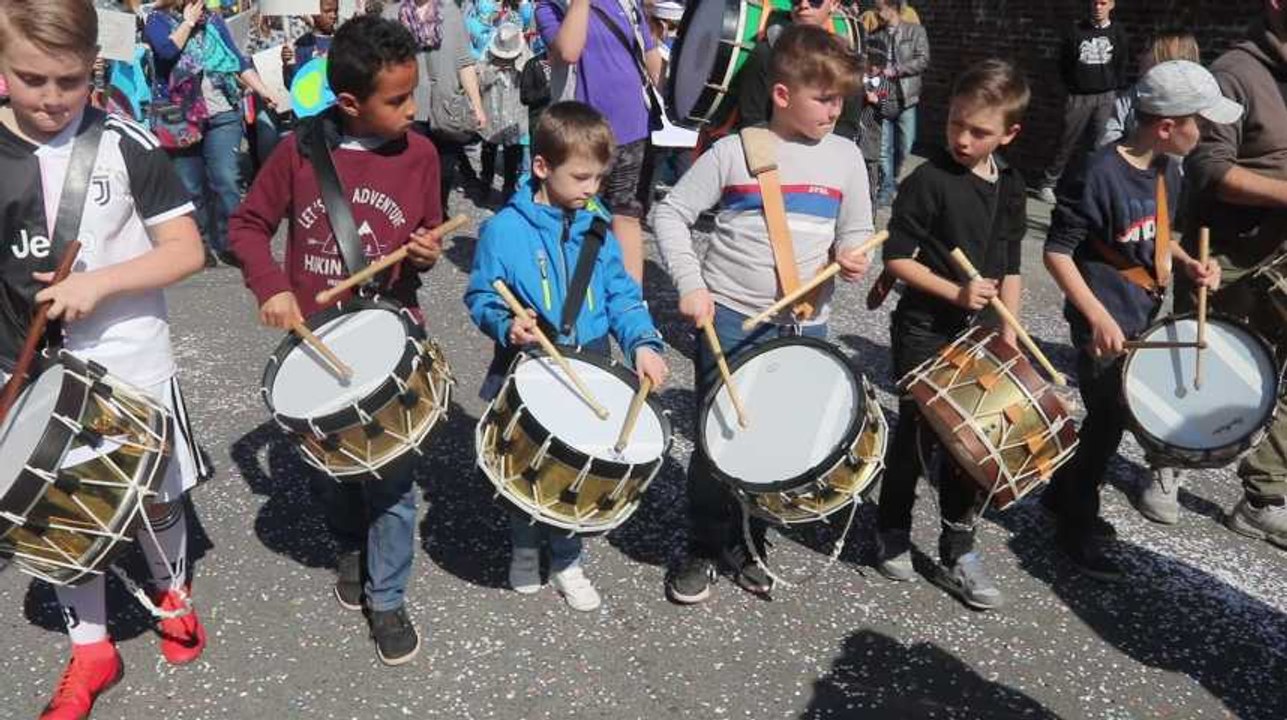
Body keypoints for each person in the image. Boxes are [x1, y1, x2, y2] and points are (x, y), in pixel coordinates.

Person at [0, 1, 211, 717]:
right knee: (52, 507)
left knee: (154, 492)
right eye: (32, 79)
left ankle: (171, 589)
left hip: (127, 356)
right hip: (23, 366)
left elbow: (187, 251)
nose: (53, 99)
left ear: (95, 65)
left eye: (70, 80)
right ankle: (91, 647)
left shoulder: (128, 142)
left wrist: (100, 282)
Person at [227, 13, 444, 665]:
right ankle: (350, 543)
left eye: (414, 94)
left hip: (392, 343)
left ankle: (387, 596)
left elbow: (428, 231)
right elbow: (246, 225)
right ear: (349, 102)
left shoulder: (424, 155)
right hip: (318, 345)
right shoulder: (298, 152)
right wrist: (270, 285)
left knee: (395, 486)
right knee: (334, 475)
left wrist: (427, 252)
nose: (413, 109)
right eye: (398, 100)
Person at [652, 25, 875, 604]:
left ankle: (752, 540)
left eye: (840, 98)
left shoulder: (847, 158)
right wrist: (691, 283)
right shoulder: (733, 152)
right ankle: (705, 543)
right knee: (719, 435)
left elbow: (854, 233)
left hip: (803, 323)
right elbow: (672, 214)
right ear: (782, 95)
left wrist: (852, 261)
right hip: (731, 317)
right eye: (823, 99)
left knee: (778, 439)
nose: (836, 108)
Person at [464, 101, 669, 611]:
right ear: (541, 167)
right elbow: (481, 295)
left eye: (598, 178)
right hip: (527, 360)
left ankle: (567, 557)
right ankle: (524, 547)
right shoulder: (504, 230)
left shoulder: (596, 229)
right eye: (580, 177)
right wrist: (505, 323)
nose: (590, 189)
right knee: (523, 464)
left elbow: (622, 295)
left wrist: (644, 343)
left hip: (591, 357)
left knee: (576, 464)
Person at [1043, 61, 1237, 579]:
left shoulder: (1168, 170)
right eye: (1201, 121)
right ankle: (1075, 527)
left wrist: (1190, 263)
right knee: (1108, 421)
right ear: (1168, 126)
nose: (1208, 131)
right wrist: (1097, 317)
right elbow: (1057, 253)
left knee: (1111, 418)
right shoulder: (1097, 172)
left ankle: (1062, 494)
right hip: (1101, 316)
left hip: (1139, 312)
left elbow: (1159, 235)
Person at [873, 58, 1030, 611]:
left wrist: (1007, 329)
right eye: (955, 123)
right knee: (920, 433)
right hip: (923, 326)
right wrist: (956, 293)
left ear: (1009, 134)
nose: (962, 138)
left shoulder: (1011, 184)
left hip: (982, 332)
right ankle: (891, 526)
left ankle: (958, 547)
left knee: (974, 441)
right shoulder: (929, 180)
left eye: (978, 131)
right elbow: (896, 259)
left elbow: (1011, 261)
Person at [1185, 0, 1287, 549]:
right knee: (1206, 361)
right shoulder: (1234, 72)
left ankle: (1262, 495)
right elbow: (1209, 169)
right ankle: (1168, 463)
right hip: (1230, 252)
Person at [143, 0, 283, 268]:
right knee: (191, 185)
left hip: (222, 111)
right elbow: (166, 51)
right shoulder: (157, 20)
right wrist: (188, 22)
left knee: (226, 177)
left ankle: (231, 242)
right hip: (180, 115)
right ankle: (200, 243)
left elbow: (237, 61)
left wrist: (264, 90)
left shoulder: (215, 22)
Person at [537, 0, 664, 283]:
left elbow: (651, 56)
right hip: (582, 134)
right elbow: (568, 51)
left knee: (627, 214)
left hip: (633, 126)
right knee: (576, 216)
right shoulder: (549, 6)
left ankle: (632, 304)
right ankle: (575, 296)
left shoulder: (627, 3)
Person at [398, 0, 488, 213]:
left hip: (448, 106)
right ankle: (414, 215)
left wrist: (477, 105)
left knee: (445, 169)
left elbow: (465, 62)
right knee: (412, 169)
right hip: (409, 107)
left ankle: (437, 212)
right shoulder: (394, 14)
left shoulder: (451, 13)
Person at [735, 0, 864, 146]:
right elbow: (753, 120)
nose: (803, 4)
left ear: (834, 4)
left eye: (814, 0)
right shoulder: (767, 53)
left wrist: (828, 156)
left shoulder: (845, 56)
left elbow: (848, 125)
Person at [1036, 0, 1129, 204]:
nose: (1098, 7)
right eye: (1095, 3)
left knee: (1100, 144)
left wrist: (1115, 87)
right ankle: (1048, 183)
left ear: (1111, 5)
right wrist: (1072, 86)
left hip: (1106, 94)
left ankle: (1091, 187)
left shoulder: (1118, 32)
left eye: (1103, 3)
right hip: (1078, 95)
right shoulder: (1076, 31)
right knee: (1066, 140)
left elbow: (1121, 61)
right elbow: (1064, 62)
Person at [1099, 30, 1200, 148]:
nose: (1139, 57)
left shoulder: (1199, 98)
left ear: (1164, 57)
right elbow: (1109, 136)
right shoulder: (1133, 95)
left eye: (1146, 51)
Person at [871, 0, 928, 208]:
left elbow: (923, 60)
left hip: (907, 97)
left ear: (891, 8)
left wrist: (896, 70)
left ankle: (892, 178)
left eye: (879, 8)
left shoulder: (916, 32)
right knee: (884, 148)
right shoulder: (876, 35)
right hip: (883, 95)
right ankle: (886, 188)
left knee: (905, 145)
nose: (876, 12)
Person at [478, 23, 532, 201]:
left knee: (512, 152)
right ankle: (485, 181)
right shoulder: (487, 53)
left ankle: (508, 187)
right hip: (492, 108)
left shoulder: (525, 54)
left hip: (514, 112)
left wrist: (516, 67)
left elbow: (530, 78)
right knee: (488, 148)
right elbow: (478, 78)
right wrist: (494, 71)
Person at [282, 0, 340, 88]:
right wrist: (289, 64)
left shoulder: (342, 41)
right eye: (327, 11)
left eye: (335, 11)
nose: (333, 16)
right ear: (313, 12)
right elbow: (292, 85)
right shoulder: (303, 45)